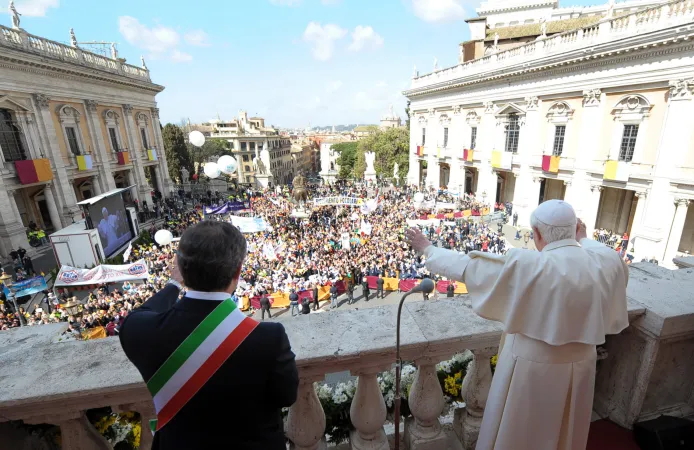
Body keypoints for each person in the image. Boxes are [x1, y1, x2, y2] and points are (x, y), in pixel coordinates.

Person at [406, 199, 628, 450]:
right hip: (583, 364)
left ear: (536, 234)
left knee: (522, 434)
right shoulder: (607, 262)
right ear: (575, 229)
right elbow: (600, 250)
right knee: (565, 432)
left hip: (534, 368)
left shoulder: (531, 265)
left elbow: (468, 265)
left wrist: (428, 248)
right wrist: (583, 237)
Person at [119, 221, 298, 450]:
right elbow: (287, 396)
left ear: (182, 269)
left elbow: (141, 312)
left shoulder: (140, 331)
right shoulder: (268, 337)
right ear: (238, 271)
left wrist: (174, 283)